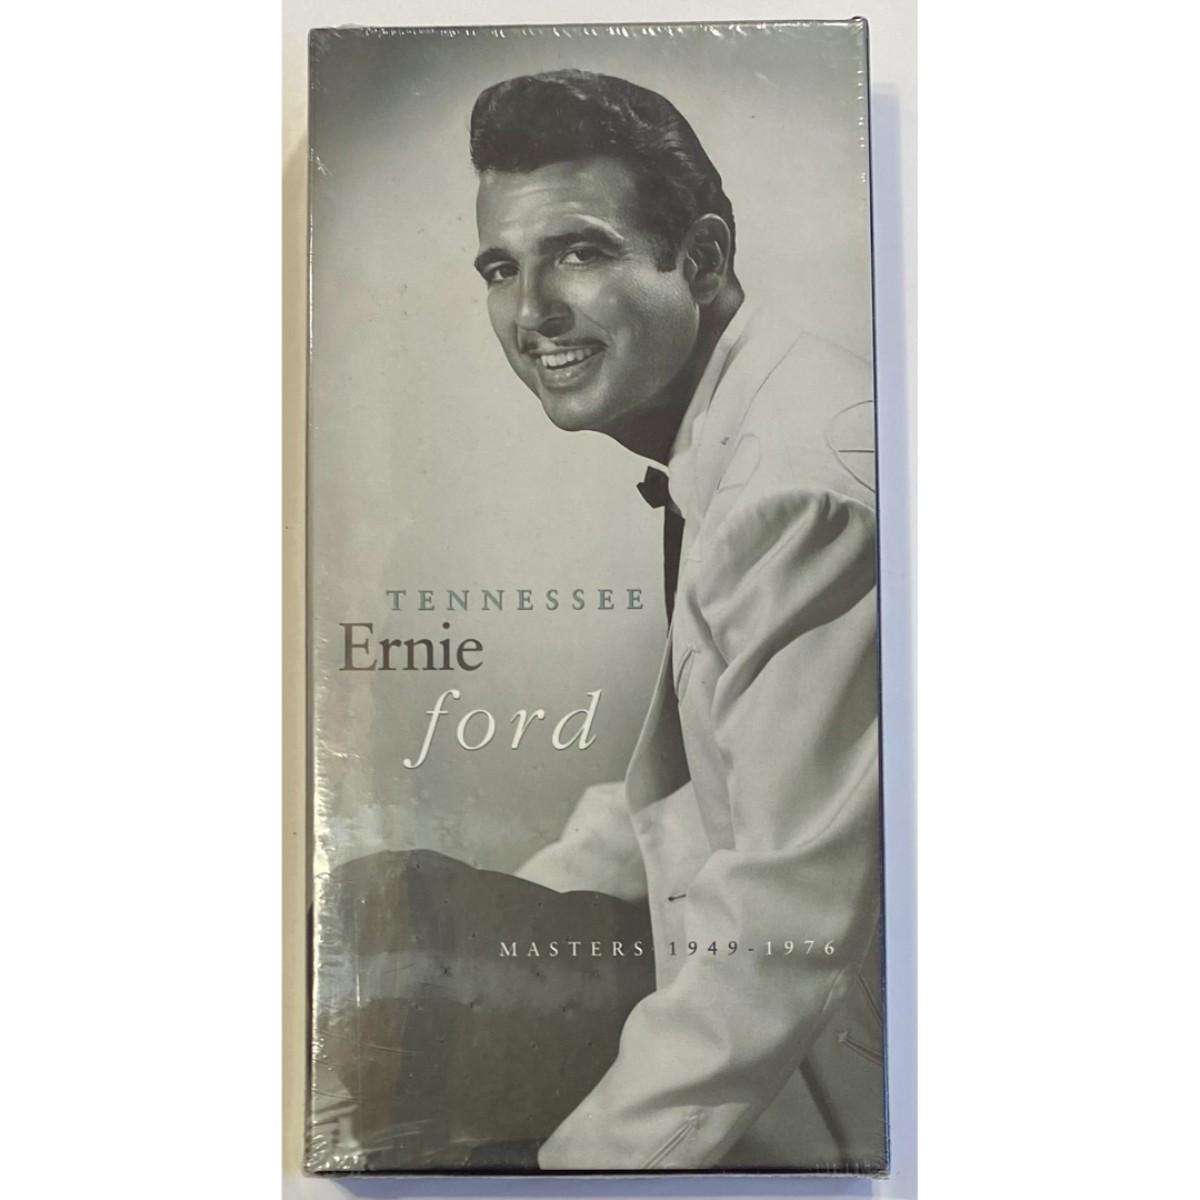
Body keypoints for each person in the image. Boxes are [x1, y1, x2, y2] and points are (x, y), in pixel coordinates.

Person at [470, 69, 885, 1172]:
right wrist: (499, 918)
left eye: (579, 252)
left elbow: (783, 929)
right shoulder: (743, 428)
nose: (531, 313)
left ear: (701, 260)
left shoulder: (792, 494)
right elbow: (711, 772)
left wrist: (576, 1179)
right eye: (502, 267)